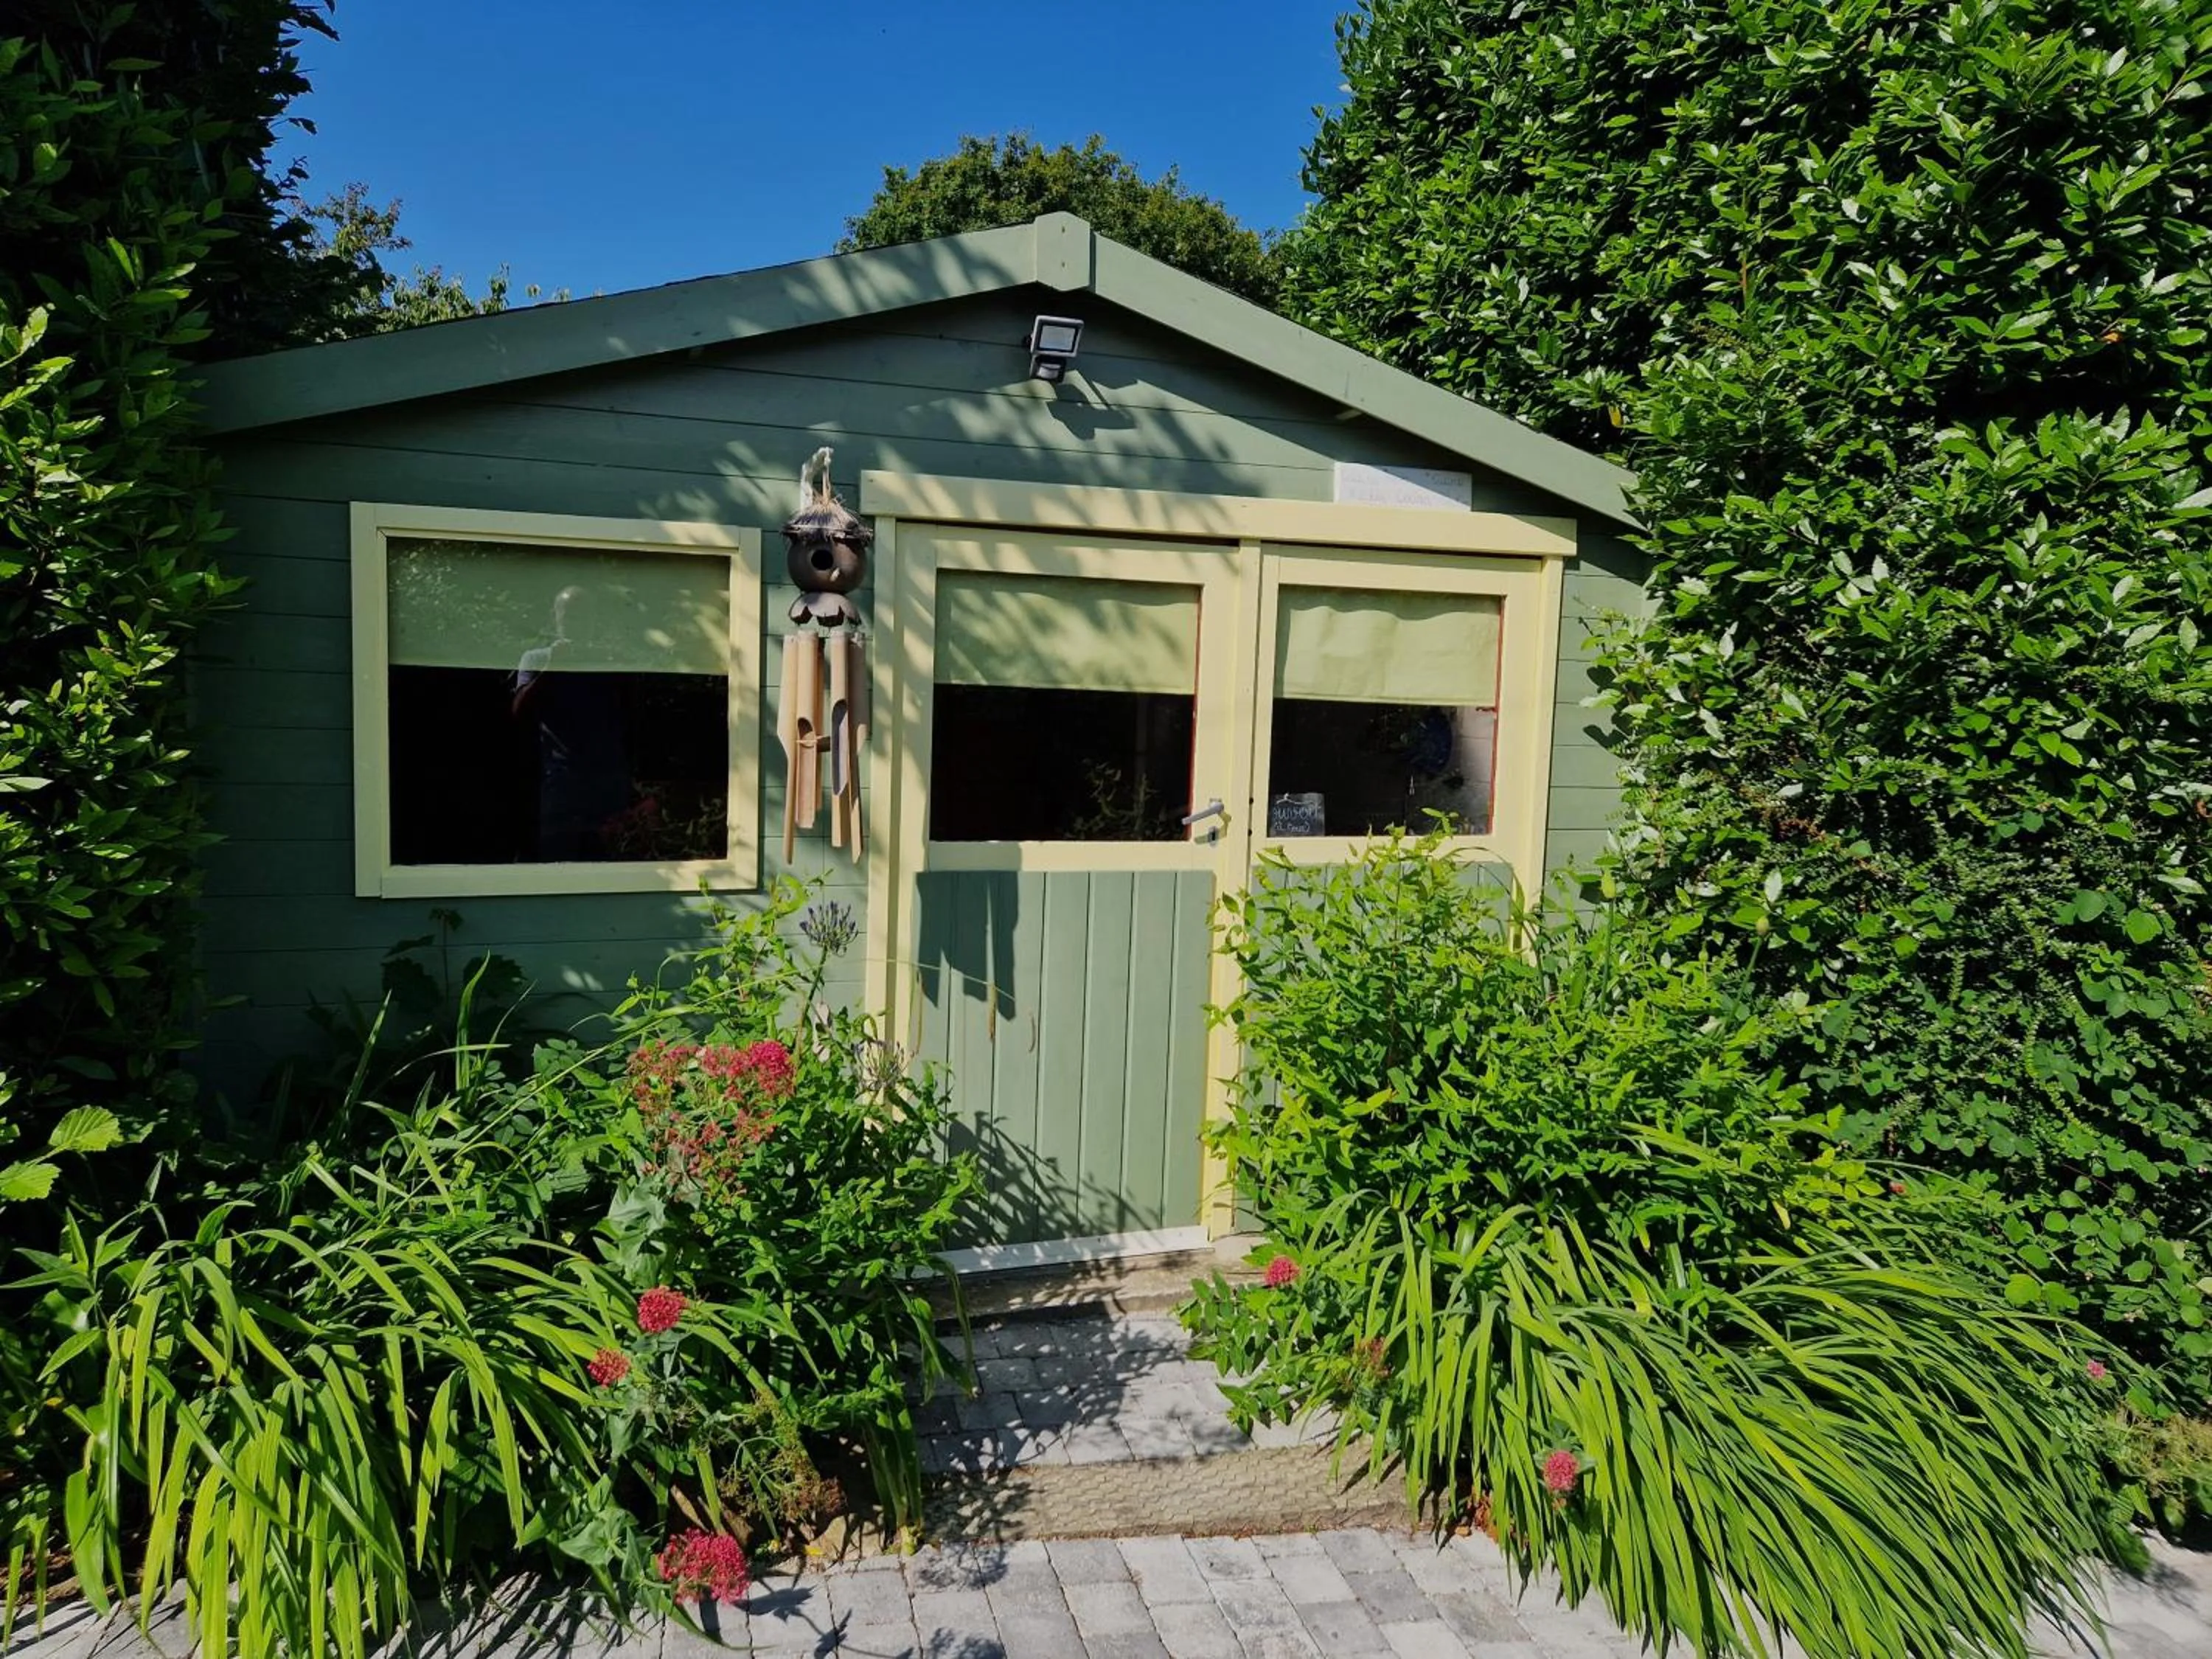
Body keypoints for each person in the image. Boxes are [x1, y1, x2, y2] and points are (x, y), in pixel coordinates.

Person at [512, 583, 630, 859]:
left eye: (584, 615)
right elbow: (519, 713)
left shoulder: (607, 661)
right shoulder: (538, 658)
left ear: (594, 620)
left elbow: (627, 715)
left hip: (605, 783)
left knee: (605, 861)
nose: (577, 622)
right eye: (570, 614)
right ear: (556, 617)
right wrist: (552, 669)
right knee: (557, 857)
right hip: (559, 781)